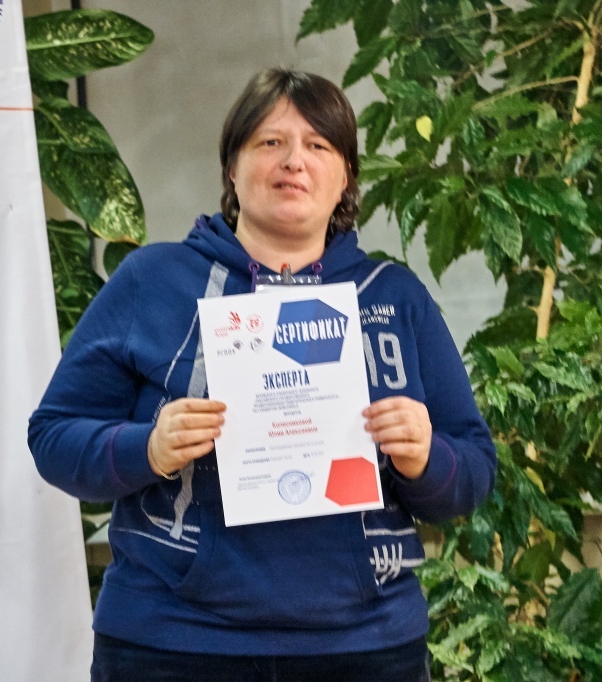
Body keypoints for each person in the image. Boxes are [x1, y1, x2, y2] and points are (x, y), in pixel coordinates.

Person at [27, 68, 496, 681]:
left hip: (364, 646)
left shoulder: (395, 297)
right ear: (232, 166)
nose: (293, 161)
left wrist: (426, 457)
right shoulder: (151, 281)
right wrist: (148, 448)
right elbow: (53, 438)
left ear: (345, 177)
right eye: (270, 141)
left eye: (318, 145)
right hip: (171, 643)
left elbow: (473, 471)